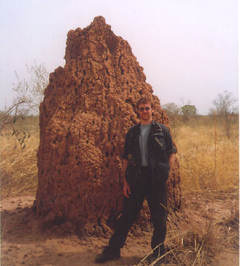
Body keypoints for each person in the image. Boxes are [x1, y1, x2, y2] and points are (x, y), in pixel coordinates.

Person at [95, 97, 177, 265]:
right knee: (127, 216)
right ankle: (113, 251)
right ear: (137, 111)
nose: (144, 111)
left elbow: (171, 152)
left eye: (147, 108)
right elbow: (125, 158)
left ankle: (158, 254)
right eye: (141, 109)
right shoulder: (132, 132)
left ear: (152, 109)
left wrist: (166, 173)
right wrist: (126, 182)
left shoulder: (162, 131)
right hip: (137, 180)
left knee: (159, 218)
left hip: (156, 181)